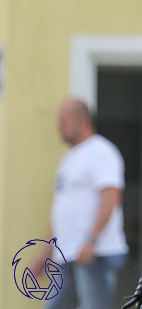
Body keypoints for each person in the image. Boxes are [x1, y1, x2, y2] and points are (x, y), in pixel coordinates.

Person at [30, 98, 129, 309]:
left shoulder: (101, 151)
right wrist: (45, 254)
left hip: (93, 253)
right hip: (68, 252)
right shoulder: (70, 158)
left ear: (83, 121)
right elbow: (63, 211)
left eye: (65, 121)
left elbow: (111, 196)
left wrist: (91, 239)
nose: (59, 127)